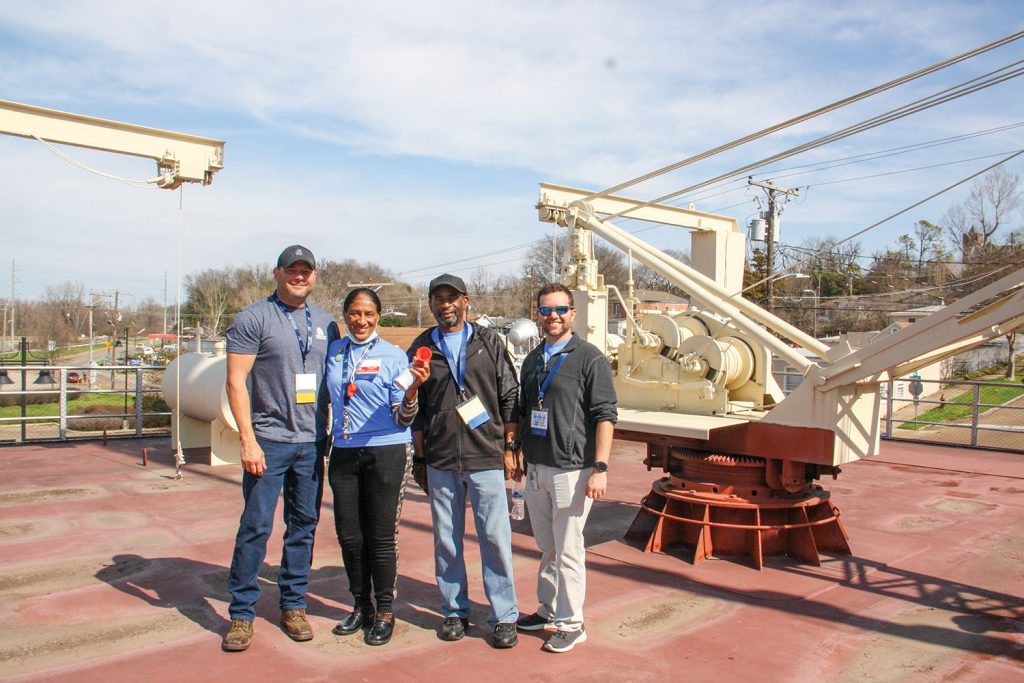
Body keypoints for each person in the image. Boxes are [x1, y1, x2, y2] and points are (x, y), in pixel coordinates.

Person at [222, 245, 338, 653]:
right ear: (277, 273)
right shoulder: (254, 318)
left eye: (306, 271)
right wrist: (247, 438)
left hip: (311, 443)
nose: (300, 276)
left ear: (314, 276)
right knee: (256, 527)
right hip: (268, 441)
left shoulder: (327, 323)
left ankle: (293, 605)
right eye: (293, 270)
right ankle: (241, 612)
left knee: (303, 527)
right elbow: (236, 381)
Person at [408, 273, 521, 649]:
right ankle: (454, 610)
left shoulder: (489, 341)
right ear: (431, 305)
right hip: (441, 457)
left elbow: (509, 393)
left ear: (466, 301)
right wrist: (421, 459)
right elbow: (419, 408)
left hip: (485, 454)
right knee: (447, 539)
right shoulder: (423, 346)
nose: (445, 305)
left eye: (452, 298)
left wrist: (508, 445)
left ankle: (504, 615)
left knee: (494, 536)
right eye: (438, 298)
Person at [515, 283, 617, 653]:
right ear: (538, 315)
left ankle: (572, 622)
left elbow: (605, 415)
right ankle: (547, 608)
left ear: (573, 313)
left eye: (560, 309)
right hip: (537, 467)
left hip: (573, 469)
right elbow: (525, 412)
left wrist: (600, 467)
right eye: (545, 310)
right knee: (547, 545)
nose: (552, 316)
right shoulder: (533, 360)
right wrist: (516, 454)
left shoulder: (590, 358)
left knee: (569, 547)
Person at [325, 288, 428, 646]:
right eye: (354, 313)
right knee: (350, 537)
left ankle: (385, 610)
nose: (362, 320)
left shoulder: (394, 356)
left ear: (378, 316)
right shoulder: (335, 353)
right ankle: (360, 607)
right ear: (345, 315)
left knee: (380, 538)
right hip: (343, 452)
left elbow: (403, 418)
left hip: (386, 452)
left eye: (369, 314)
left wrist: (413, 389)